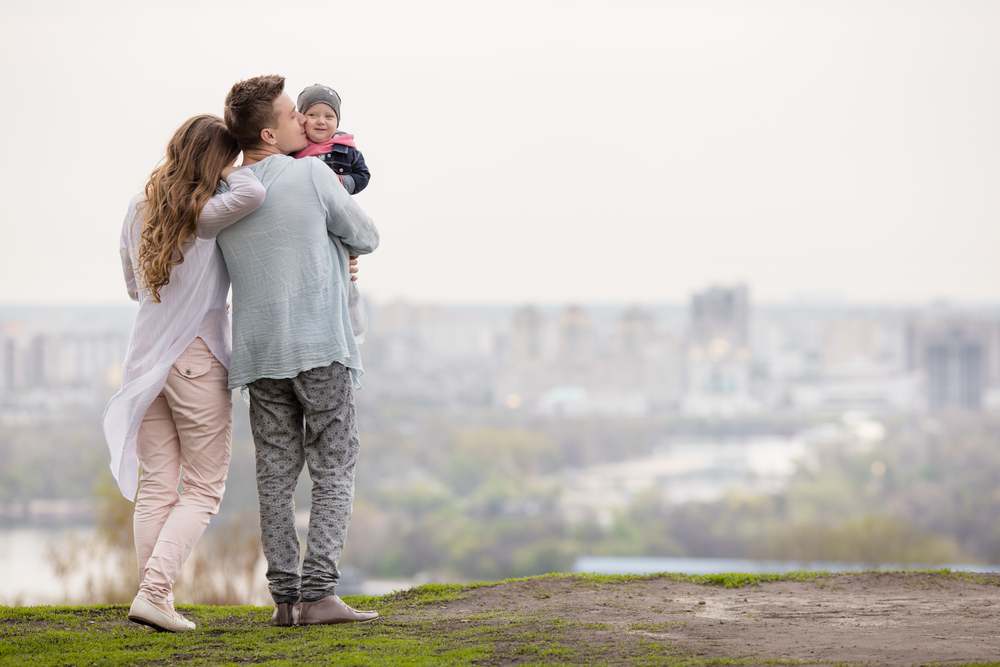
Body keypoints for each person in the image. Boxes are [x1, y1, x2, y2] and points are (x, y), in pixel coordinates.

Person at [217, 74, 380, 626]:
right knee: (334, 466)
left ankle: (285, 601)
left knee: (275, 473)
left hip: (259, 354)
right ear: (269, 130)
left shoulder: (223, 194)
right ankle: (320, 594)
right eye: (292, 116)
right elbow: (366, 235)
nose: (303, 124)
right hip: (319, 346)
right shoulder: (311, 173)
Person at [103, 115, 266, 633]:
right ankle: (154, 593)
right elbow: (254, 192)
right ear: (215, 161)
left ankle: (155, 599)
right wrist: (239, 158)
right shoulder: (209, 211)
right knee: (201, 489)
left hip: (145, 360)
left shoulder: (138, 208)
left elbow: (134, 288)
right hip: (195, 359)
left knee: (157, 488)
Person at [292, 84, 371, 195]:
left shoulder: (347, 151)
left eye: (328, 116)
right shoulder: (293, 148)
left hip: (332, 208)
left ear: (337, 122)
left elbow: (363, 176)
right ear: (302, 118)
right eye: (313, 115)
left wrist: (340, 181)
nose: (321, 121)